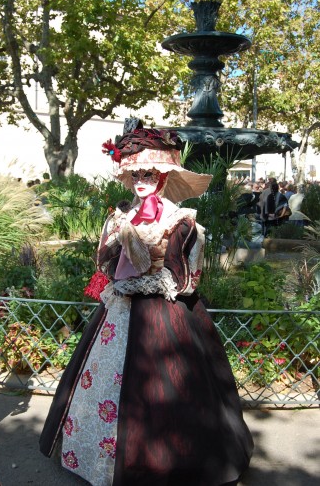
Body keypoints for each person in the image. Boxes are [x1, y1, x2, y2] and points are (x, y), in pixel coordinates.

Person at [39, 121, 254, 486]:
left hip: (163, 317)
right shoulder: (120, 216)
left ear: (163, 176)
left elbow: (182, 277)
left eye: (150, 173)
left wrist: (141, 282)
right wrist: (114, 244)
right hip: (118, 314)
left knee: (171, 388)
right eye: (135, 172)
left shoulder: (180, 221)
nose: (141, 179)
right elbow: (105, 266)